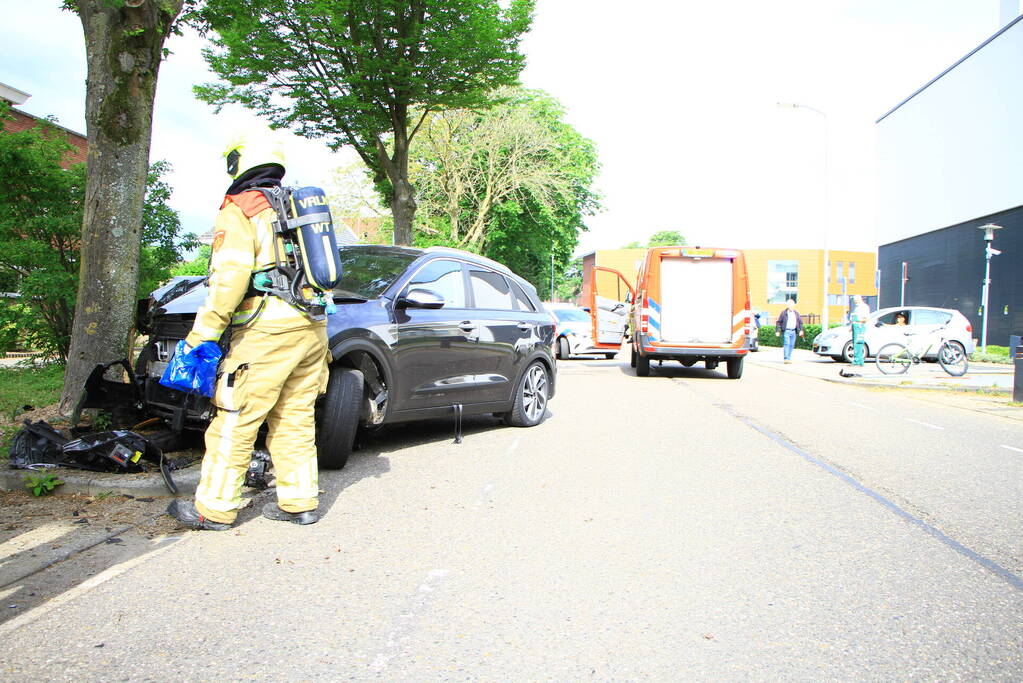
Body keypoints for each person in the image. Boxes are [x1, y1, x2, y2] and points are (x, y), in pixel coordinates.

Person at [167, 132, 329, 530]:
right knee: (294, 418)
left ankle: (215, 510)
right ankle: (299, 502)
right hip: (312, 328)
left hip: (265, 332)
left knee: (235, 418)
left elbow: (229, 278)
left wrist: (202, 334)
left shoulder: (241, 209)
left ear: (239, 163)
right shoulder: (292, 206)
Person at [849, 295, 870, 366]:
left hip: (860, 326)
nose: (855, 301)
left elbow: (866, 318)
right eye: (854, 300)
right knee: (857, 344)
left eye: (856, 299)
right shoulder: (857, 308)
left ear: (861, 299)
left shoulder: (864, 307)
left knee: (858, 343)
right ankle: (860, 361)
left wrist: (858, 322)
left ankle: (857, 361)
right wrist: (852, 327)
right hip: (856, 326)